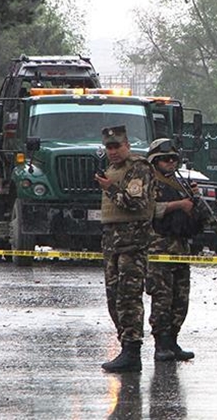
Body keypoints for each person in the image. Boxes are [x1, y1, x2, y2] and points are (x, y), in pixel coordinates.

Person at [94, 125, 155, 373]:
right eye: (109, 147)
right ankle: (125, 346)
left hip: (132, 243)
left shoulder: (138, 168)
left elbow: (134, 202)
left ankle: (132, 351)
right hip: (113, 243)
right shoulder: (113, 170)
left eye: (117, 146)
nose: (113, 151)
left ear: (127, 145)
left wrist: (109, 187)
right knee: (114, 298)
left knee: (129, 299)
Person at [145, 139, 201, 362]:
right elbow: (148, 209)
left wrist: (193, 199)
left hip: (180, 247)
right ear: (155, 161)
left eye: (173, 159)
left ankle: (173, 341)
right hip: (159, 247)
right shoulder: (150, 182)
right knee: (162, 297)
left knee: (180, 298)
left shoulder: (180, 183)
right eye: (165, 159)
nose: (170, 163)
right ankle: (161, 344)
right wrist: (178, 205)